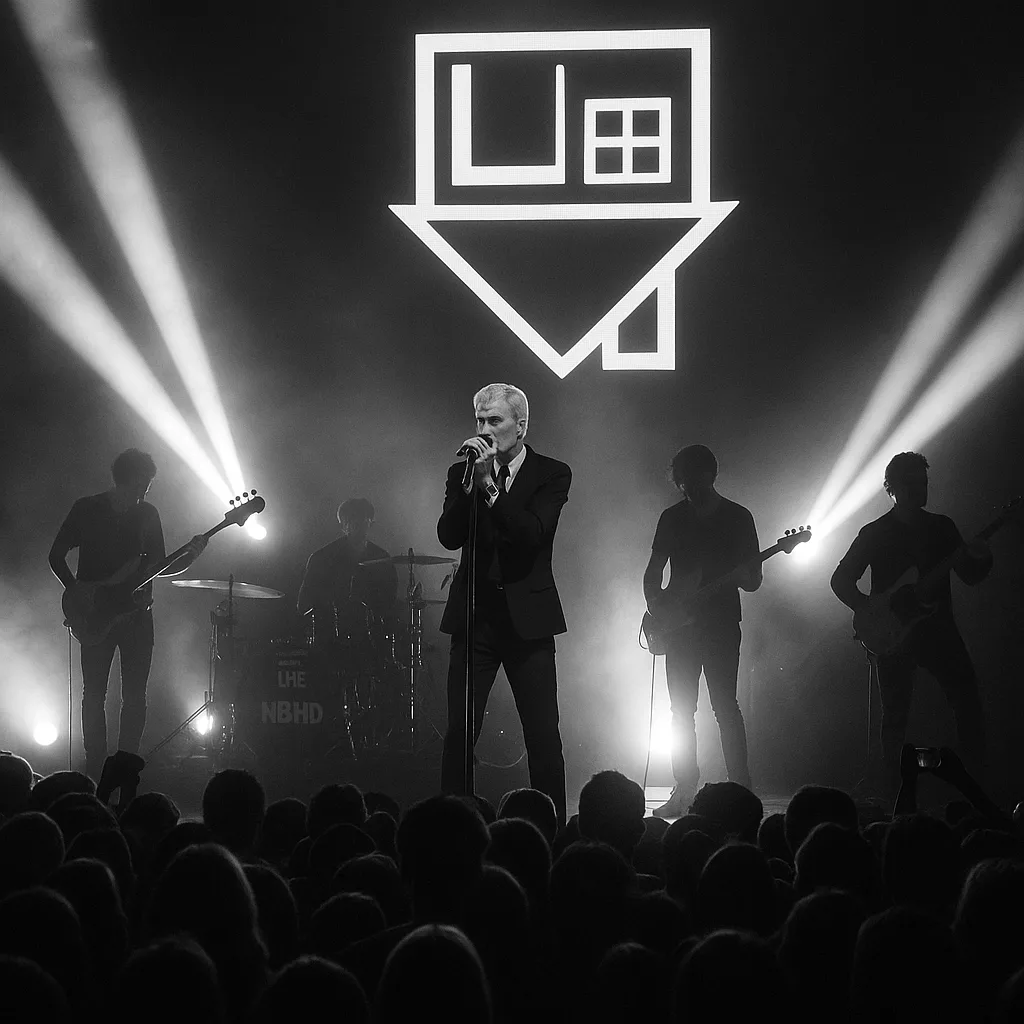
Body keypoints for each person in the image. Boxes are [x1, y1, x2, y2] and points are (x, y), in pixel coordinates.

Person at [437, 383, 571, 825]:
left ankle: (549, 830)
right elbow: (449, 535)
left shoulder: (552, 474)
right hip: (475, 619)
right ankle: (452, 827)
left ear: (521, 425)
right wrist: (473, 484)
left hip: (528, 623)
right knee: (459, 732)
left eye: (494, 421)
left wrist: (491, 488)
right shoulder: (463, 472)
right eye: (479, 421)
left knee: (542, 735)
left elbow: (532, 534)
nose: (484, 430)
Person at [830, 451, 991, 797]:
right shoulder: (874, 533)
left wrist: (982, 556)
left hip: (938, 630)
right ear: (893, 487)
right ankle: (894, 787)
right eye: (915, 482)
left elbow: (970, 575)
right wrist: (873, 609)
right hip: (894, 634)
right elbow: (841, 580)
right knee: (896, 716)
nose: (922, 488)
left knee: (965, 700)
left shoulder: (942, 527)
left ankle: (975, 781)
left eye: (925, 482)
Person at [48, 449, 207, 781]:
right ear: (134, 479)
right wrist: (76, 591)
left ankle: (123, 769)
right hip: (93, 615)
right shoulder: (87, 508)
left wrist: (191, 554)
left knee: (133, 695)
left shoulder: (148, 514)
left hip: (136, 615)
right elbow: (56, 555)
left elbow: (157, 567)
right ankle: (95, 769)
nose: (147, 489)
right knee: (95, 693)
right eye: (146, 482)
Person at [643, 444, 761, 816]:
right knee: (681, 711)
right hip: (679, 629)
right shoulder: (671, 518)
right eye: (682, 480)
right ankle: (685, 790)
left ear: (711, 475)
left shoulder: (738, 518)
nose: (687, 486)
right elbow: (652, 572)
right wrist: (658, 606)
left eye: (693, 478)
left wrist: (744, 576)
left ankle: (741, 789)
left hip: (721, 624)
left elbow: (754, 580)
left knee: (726, 707)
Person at [296, 497, 397, 639]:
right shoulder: (322, 558)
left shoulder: (382, 558)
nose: (356, 524)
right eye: (351, 520)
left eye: (361, 519)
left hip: (370, 638)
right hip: (330, 639)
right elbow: (304, 604)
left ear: (371, 524)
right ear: (342, 525)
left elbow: (389, 603)